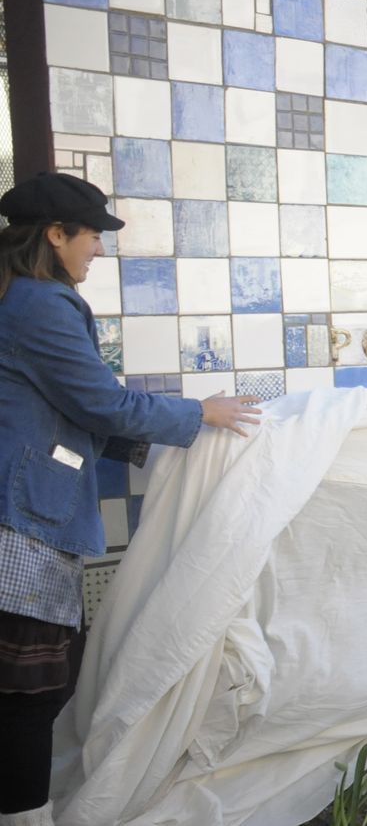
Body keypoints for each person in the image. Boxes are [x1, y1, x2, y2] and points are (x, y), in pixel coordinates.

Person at [0, 173, 261, 825]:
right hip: (21, 530)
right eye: (91, 235)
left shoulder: (25, 299)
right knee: (27, 693)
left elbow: (74, 414)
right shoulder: (39, 304)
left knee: (35, 687)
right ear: (55, 234)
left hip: (29, 519)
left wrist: (162, 448)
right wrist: (200, 414)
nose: (97, 248)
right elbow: (100, 401)